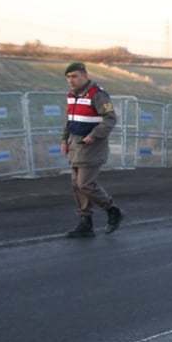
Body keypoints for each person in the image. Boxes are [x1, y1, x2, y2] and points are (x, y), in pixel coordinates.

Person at [60, 62, 124, 238]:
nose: (71, 80)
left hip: (92, 147)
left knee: (85, 184)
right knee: (76, 186)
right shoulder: (72, 96)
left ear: (85, 76)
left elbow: (110, 119)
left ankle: (112, 210)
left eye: (75, 76)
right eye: (68, 77)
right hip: (75, 146)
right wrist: (64, 140)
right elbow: (70, 121)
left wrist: (94, 135)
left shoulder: (97, 95)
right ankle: (85, 223)